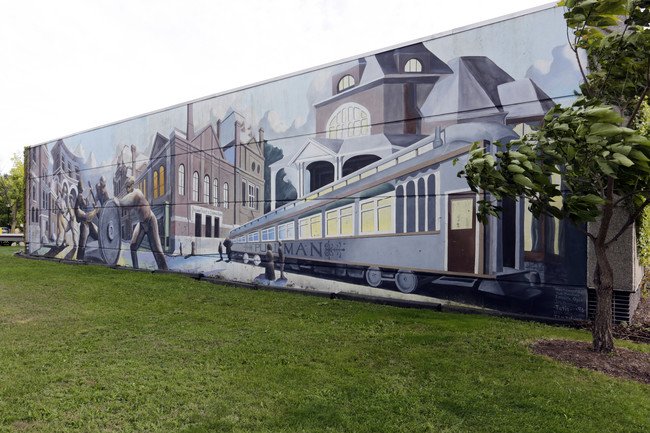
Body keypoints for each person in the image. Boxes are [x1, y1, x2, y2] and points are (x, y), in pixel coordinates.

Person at [113, 177, 168, 270]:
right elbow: (125, 201)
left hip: (150, 221)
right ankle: (136, 269)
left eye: (128, 187)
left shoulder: (137, 193)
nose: (126, 189)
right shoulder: (131, 195)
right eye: (126, 187)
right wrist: (118, 201)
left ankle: (165, 271)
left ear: (132, 186)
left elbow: (125, 204)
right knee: (133, 246)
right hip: (142, 223)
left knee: (157, 250)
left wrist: (117, 201)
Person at [74, 180, 99, 260]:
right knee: (82, 245)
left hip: (88, 224)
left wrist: (89, 192)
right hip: (84, 225)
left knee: (98, 236)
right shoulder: (78, 210)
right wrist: (95, 211)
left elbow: (86, 203)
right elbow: (87, 217)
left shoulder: (80, 200)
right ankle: (79, 260)